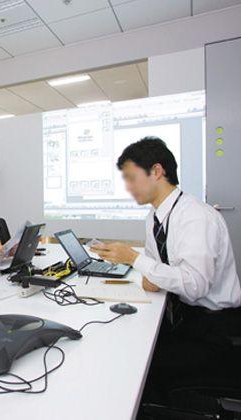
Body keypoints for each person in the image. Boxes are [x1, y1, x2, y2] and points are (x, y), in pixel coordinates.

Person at [90, 136, 241, 402]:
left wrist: (135, 260)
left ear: (157, 171)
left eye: (131, 177)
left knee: (137, 366)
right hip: (188, 317)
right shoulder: (156, 217)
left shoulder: (195, 216)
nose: (128, 187)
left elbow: (195, 287)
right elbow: (156, 274)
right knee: (127, 346)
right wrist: (149, 272)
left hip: (215, 328)